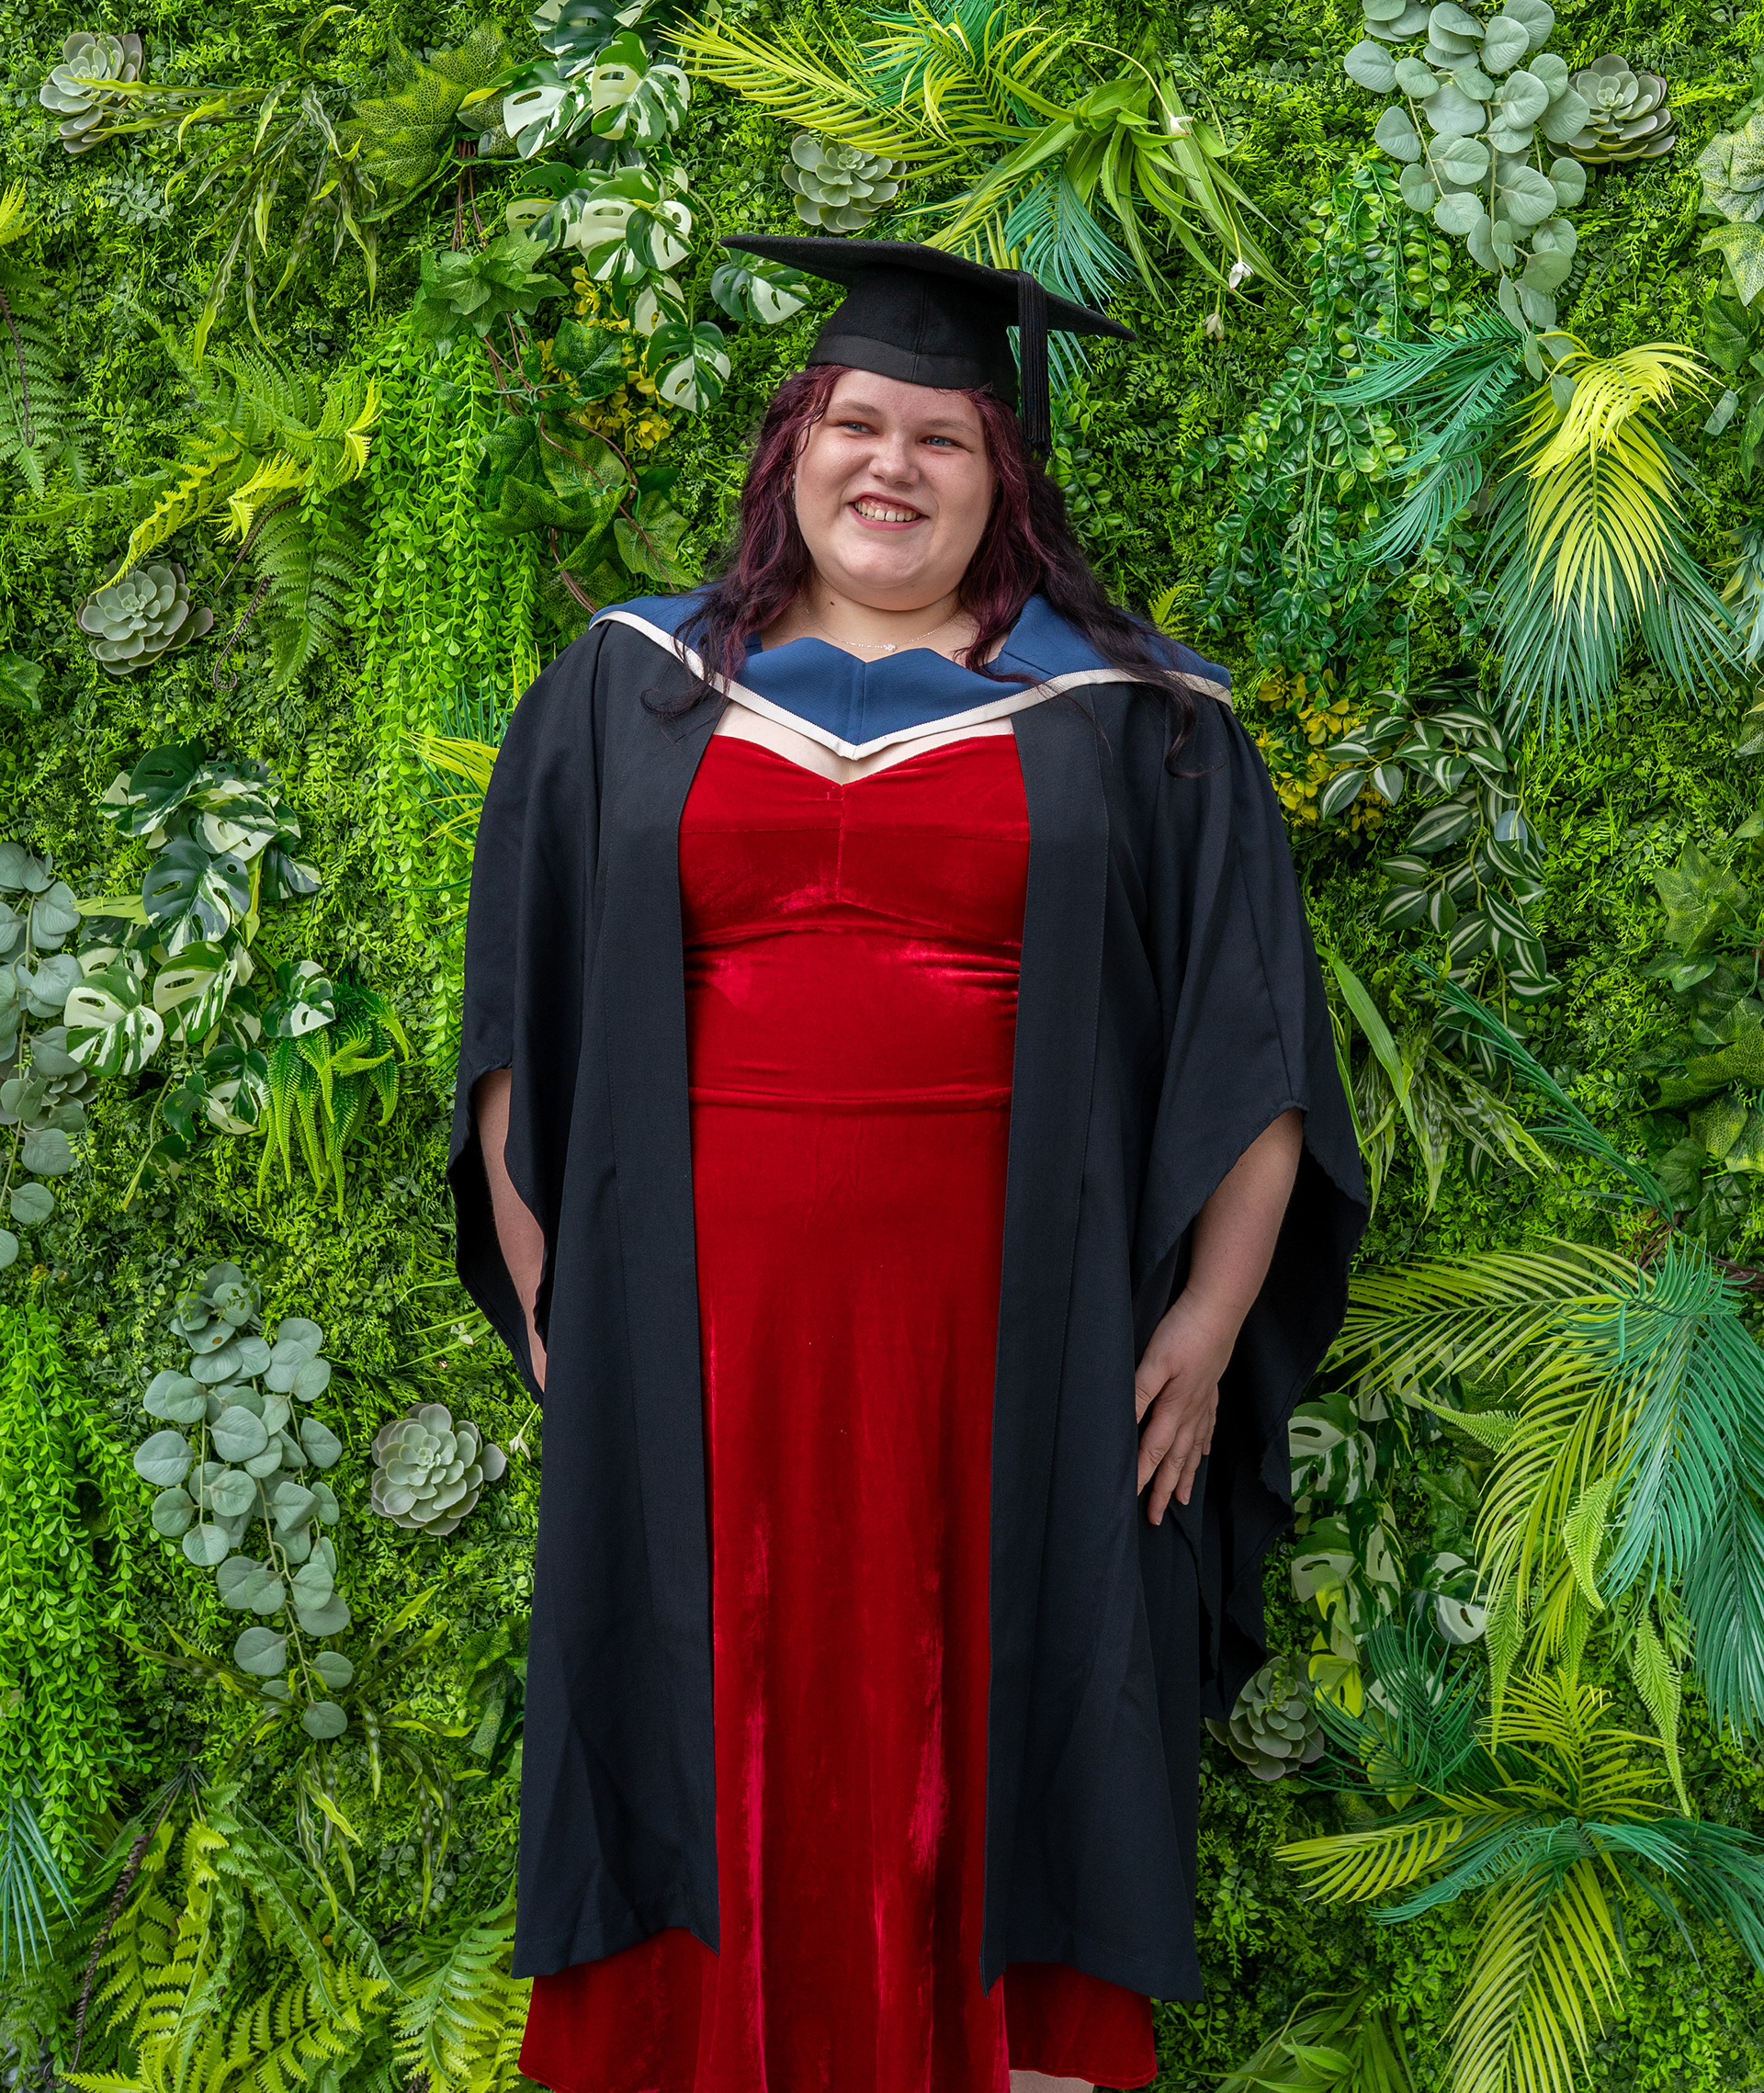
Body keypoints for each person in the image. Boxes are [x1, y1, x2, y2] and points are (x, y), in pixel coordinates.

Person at [450, 238, 1366, 2093]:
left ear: (1000, 479)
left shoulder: (1136, 717)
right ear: (793, 446)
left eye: (942, 438)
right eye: (858, 423)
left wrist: (1205, 1325)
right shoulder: (632, 685)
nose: (893, 466)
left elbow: (1253, 1046)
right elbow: (518, 1010)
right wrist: (552, 1288)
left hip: (1016, 1337)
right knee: (709, 1675)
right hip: (701, 1333)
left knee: (993, 1682)